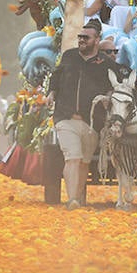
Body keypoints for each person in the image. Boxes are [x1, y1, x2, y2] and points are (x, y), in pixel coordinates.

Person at [48, 18, 117, 209]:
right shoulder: (69, 56)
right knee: (73, 157)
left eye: (86, 38)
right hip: (65, 118)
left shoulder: (106, 63)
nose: (81, 40)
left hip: (92, 122)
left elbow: (117, 83)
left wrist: (109, 96)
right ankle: (72, 200)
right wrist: (52, 93)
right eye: (80, 37)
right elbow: (56, 75)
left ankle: (77, 196)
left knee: (84, 162)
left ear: (96, 40)